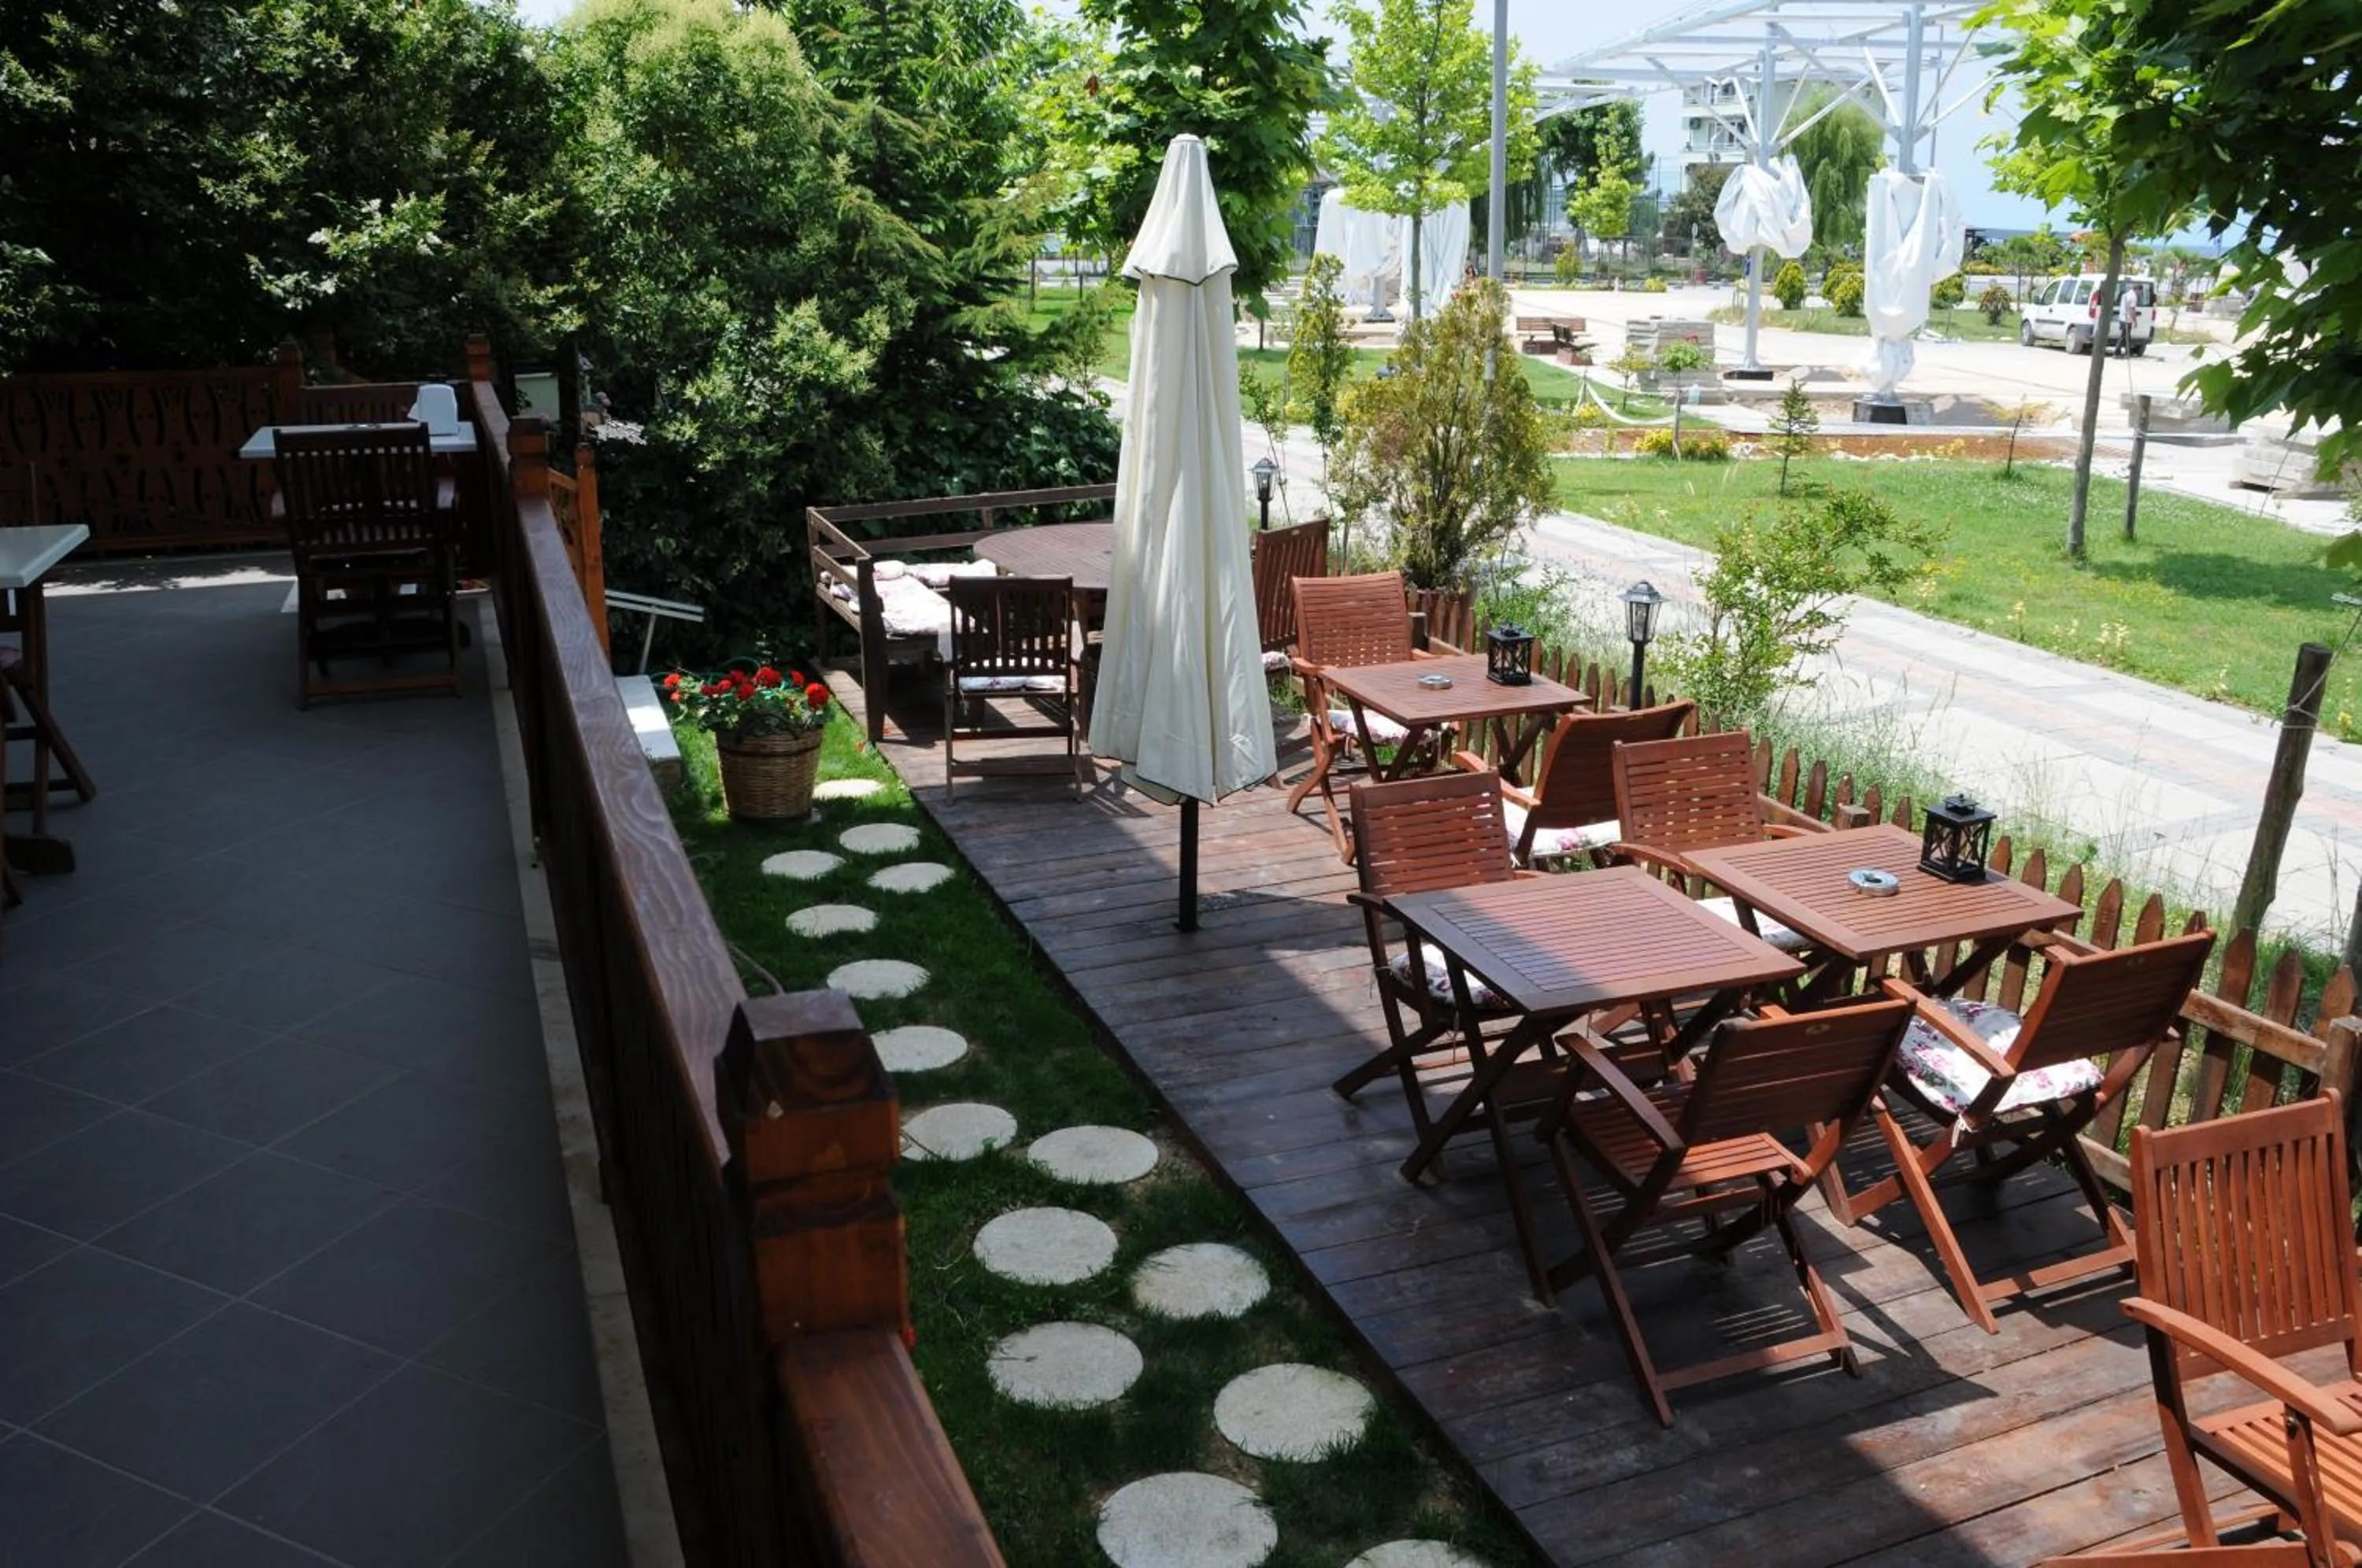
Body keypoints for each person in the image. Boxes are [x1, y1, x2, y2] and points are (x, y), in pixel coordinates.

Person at [2115, 281, 2140, 356]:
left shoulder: (2126, 294)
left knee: (2127, 337)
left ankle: (2127, 352)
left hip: (2122, 318)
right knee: (2124, 337)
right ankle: (2117, 352)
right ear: (2138, 290)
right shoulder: (2133, 297)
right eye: (2140, 292)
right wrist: (2135, 321)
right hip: (2127, 319)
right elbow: (2132, 310)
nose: (2140, 294)